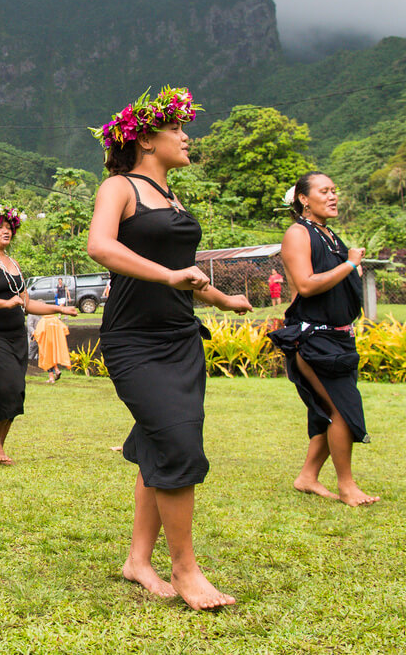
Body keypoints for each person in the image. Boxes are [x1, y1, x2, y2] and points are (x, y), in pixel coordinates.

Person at [86, 86, 252, 610]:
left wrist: (223, 300)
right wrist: (168, 275)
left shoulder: (175, 199)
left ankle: (138, 560)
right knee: (178, 444)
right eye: (176, 129)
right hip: (134, 339)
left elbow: (188, 275)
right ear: (144, 139)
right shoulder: (120, 187)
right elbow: (101, 247)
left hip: (181, 336)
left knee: (160, 444)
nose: (186, 137)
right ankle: (186, 570)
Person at [268, 173, 378, 507]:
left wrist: (348, 269)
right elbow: (306, 284)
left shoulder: (329, 235)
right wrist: (349, 266)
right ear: (303, 198)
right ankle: (347, 486)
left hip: (339, 337)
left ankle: (308, 477)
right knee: (341, 411)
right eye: (324, 191)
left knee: (326, 413)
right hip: (314, 338)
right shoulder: (298, 234)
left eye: (334, 191)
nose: (333, 196)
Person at [0, 206, 78, 465]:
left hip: (16, 335)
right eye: (0, 227)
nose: (6, 231)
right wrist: (3, 304)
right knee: (8, 386)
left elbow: (26, 303)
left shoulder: (12, 263)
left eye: (9, 227)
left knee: (16, 390)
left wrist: (58, 308)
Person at [34, 313, 71, 383]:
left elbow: (39, 332)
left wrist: (34, 335)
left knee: (47, 359)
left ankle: (51, 378)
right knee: (53, 358)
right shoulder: (56, 319)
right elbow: (65, 329)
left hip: (46, 342)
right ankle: (57, 370)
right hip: (55, 342)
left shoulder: (43, 320)